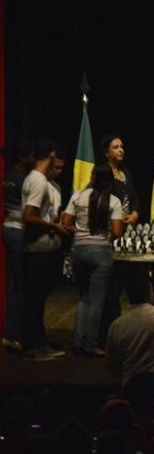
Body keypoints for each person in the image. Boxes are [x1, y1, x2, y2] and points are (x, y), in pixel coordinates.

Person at [62, 164, 124, 357]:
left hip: (78, 250)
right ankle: (90, 345)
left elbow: (66, 223)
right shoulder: (114, 201)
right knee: (96, 301)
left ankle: (77, 342)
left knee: (84, 298)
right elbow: (117, 232)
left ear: (92, 177)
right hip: (101, 253)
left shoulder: (77, 196)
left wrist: (81, 233)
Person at [21, 139, 70, 361]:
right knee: (34, 300)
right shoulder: (38, 180)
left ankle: (41, 341)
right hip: (37, 249)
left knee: (39, 299)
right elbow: (29, 216)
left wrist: (59, 223)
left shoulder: (44, 182)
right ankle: (32, 347)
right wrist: (53, 227)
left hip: (47, 248)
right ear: (51, 156)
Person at [99, 134, 141, 349]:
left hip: (127, 233)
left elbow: (134, 200)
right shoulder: (102, 173)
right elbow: (100, 201)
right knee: (111, 289)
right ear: (106, 152)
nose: (120, 150)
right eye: (115, 147)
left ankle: (132, 332)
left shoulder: (126, 173)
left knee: (130, 282)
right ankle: (107, 335)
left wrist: (134, 214)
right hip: (109, 233)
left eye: (122, 146)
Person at [1, 138, 35, 350]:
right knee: (22, 284)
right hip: (19, 230)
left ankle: (13, 332)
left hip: (8, 228)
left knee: (16, 283)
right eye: (32, 155)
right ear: (23, 157)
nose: (35, 159)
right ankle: (15, 333)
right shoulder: (24, 179)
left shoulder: (8, 176)